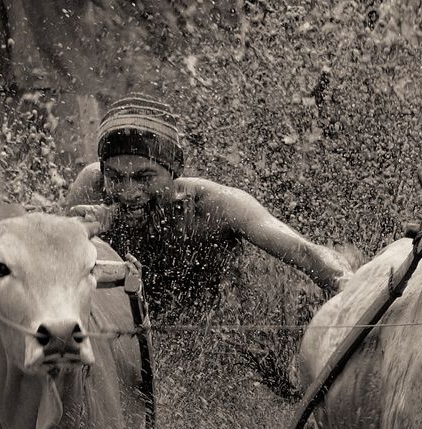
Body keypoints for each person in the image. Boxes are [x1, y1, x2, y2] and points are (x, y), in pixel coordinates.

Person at [64, 94, 352, 323]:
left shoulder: (214, 206)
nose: (128, 192)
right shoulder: (92, 188)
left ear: (173, 171)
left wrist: (350, 286)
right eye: (115, 177)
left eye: (144, 177)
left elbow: (304, 251)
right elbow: (54, 271)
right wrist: (78, 234)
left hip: (212, 330)